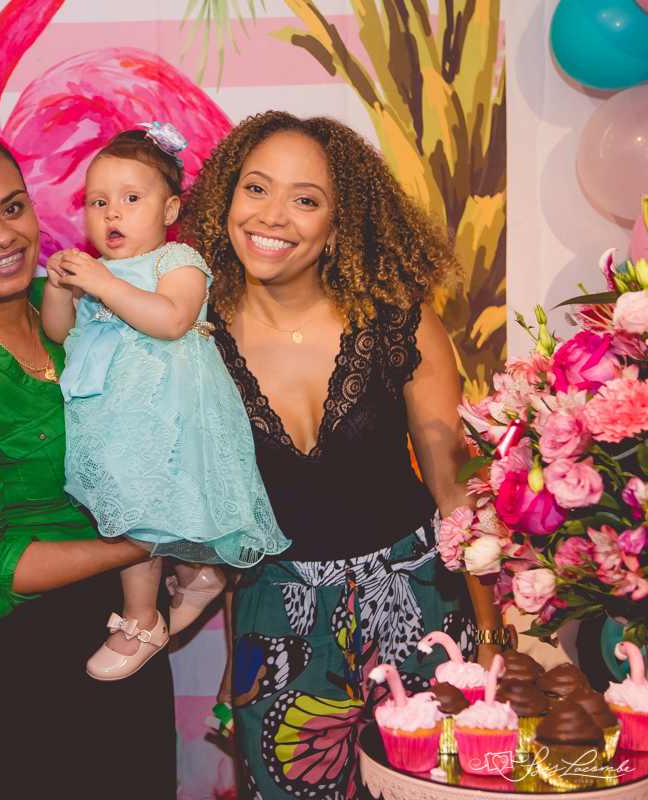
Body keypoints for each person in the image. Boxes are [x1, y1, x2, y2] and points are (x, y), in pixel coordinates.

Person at [180, 111, 505, 798]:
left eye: (305, 199)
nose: (272, 215)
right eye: (255, 188)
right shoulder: (192, 338)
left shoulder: (399, 319)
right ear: (226, 199)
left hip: (418, 602)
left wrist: (491, 635)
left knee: (437, 787)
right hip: (278, 618)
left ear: (338, 224)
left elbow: (456, 495)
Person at [0, 104, 176, 800]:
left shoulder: (85, 307)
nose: (1, 236)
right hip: (20, 673)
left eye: (11, 207)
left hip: (128, 631)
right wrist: (140, 544)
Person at [40, 125, 287, 682]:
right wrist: (59, 289)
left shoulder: (176, 260)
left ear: (170, 209)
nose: (112, 213)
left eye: (131, 198)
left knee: (143, 512)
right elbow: (58, 332)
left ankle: (141, 620)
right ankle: (198, 577)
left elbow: (172, 319)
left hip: (167, 412)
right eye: (98, 202)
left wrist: (102, 283)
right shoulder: (94, 272)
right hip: (112, 418)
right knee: (128, 508)